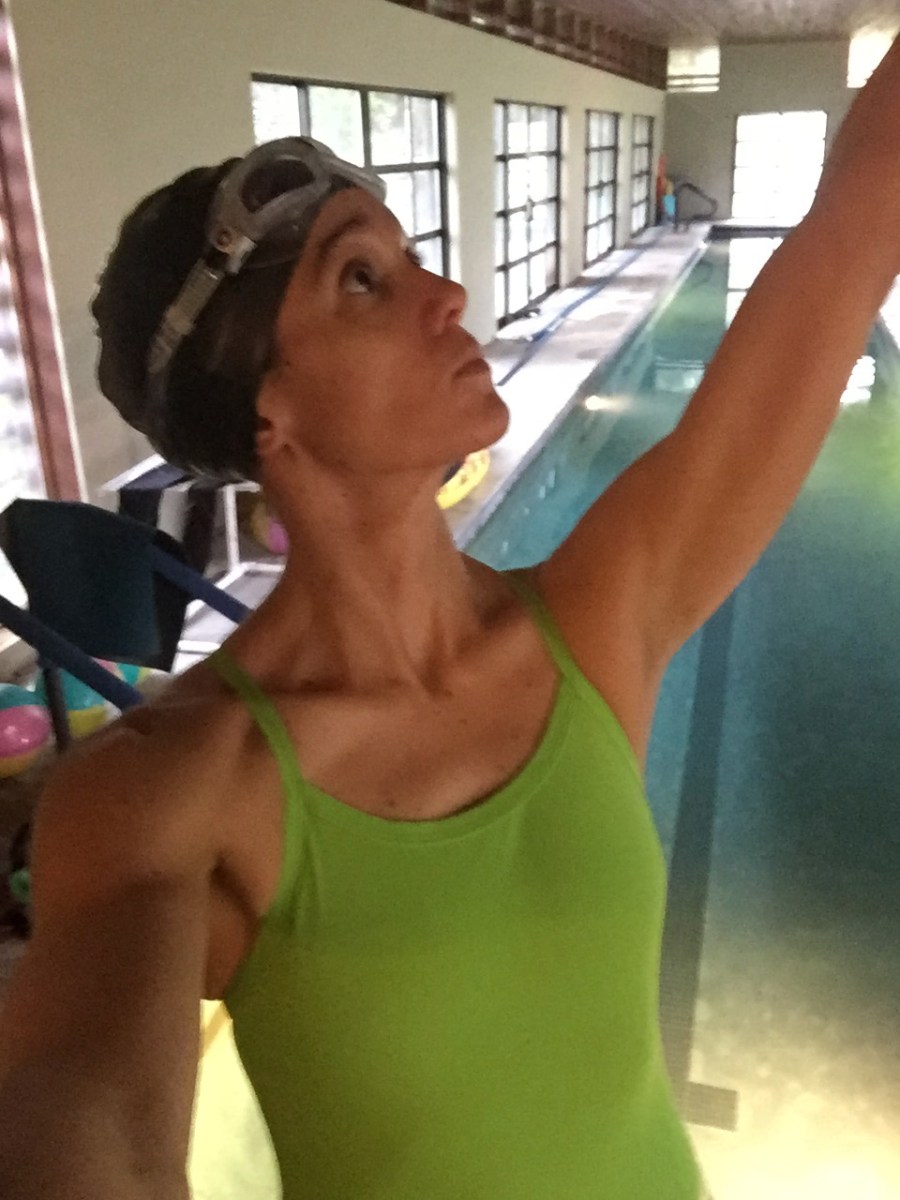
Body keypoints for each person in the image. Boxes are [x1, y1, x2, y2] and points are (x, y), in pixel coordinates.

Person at [2, 31, 900, 1196]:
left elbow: (858, 221)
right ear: (269, 410)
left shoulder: (592, 626)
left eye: (410, 257)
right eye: (362, 279)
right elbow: (86, 1114)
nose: (448, 294)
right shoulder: (170, 788)